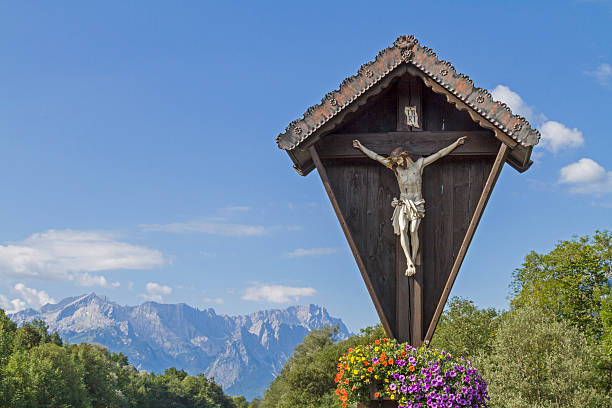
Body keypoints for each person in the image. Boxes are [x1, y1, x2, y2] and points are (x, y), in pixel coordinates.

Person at [352, 136, 466, 276]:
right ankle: (409, 261)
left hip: (417, 203)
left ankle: (411, 259)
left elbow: (440, 154)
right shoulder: (397, 169)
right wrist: (361, 147)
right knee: (403, 228)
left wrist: (456, 143)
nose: (398, 163)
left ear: (405, 156)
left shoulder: (419, 165)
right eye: (395, 161)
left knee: (413, 230)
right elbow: (376, 158)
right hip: (403, 203)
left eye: (398, 160)